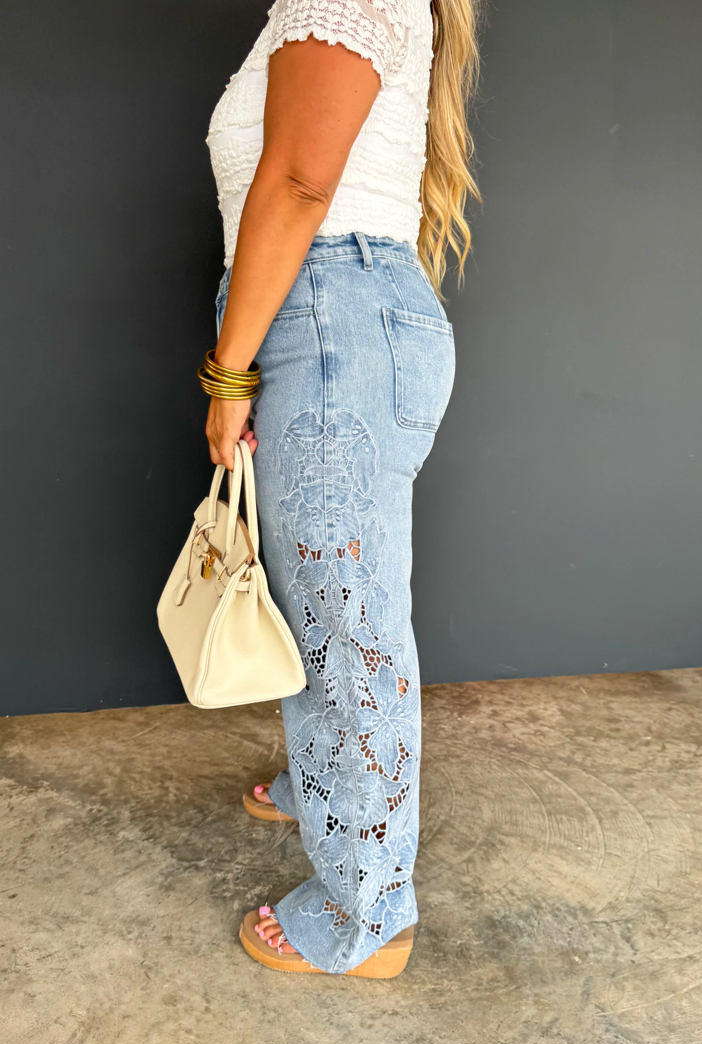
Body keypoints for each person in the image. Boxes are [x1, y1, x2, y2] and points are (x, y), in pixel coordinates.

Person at [203, 0, 482, 977]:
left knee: (348, 624)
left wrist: (229, 371)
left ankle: (366, 913)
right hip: (331, 320)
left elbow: (297, 179)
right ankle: (332, 782)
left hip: (329, 324)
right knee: (327, 603)